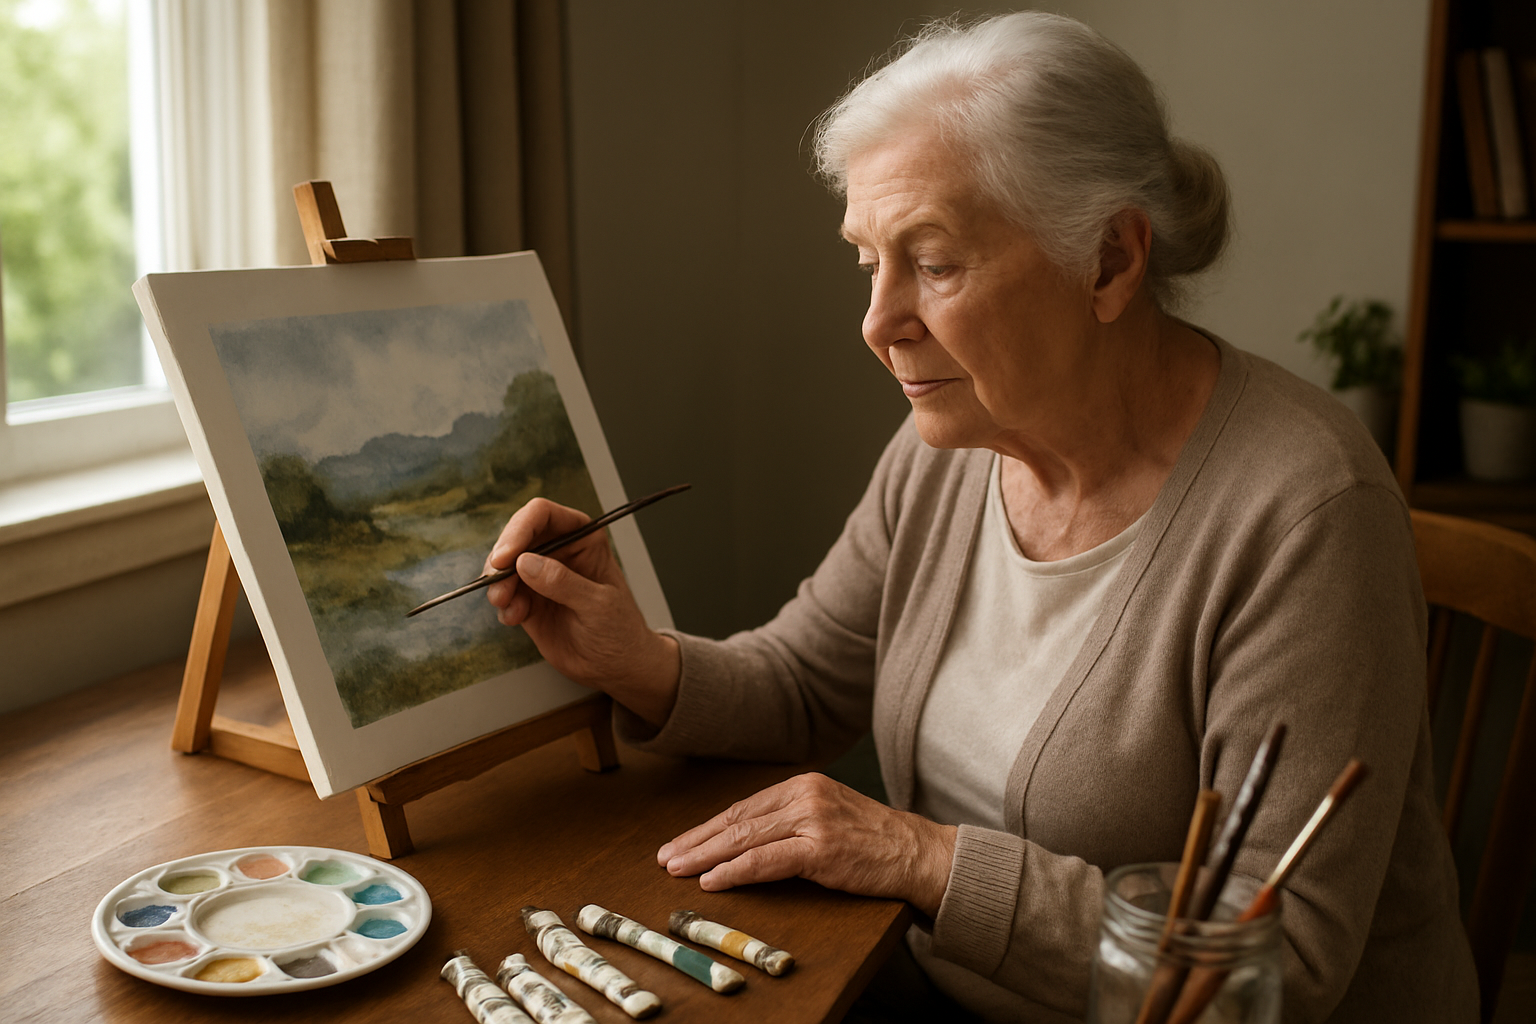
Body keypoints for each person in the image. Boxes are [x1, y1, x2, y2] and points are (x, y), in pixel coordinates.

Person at [483, 12, 1477, 1023]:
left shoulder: (1307, 512)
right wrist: (633, 657)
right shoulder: (952, 445)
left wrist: (918, 854)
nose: (877, 325)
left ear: (1109, 261)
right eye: (868, 260)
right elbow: (803, 679)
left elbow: (1276, 964)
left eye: (937, 263)